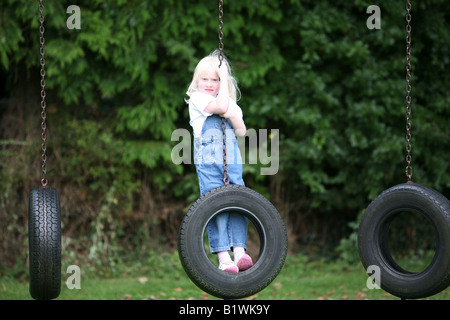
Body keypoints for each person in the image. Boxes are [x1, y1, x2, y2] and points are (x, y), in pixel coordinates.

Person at [185, 50, 253, 273]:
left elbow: (241, 130)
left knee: (238, 200)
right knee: (216, 206)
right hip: (208, 161)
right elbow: (221, 107)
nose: (209, 83)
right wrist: (225, 87)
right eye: (204, 79)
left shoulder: (229, 101)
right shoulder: (198, 99)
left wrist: (234, 115)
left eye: (215, 79)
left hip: (231, 160)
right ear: (197, 81)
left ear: (223, 83)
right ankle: (224, 257)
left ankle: (240, 251)